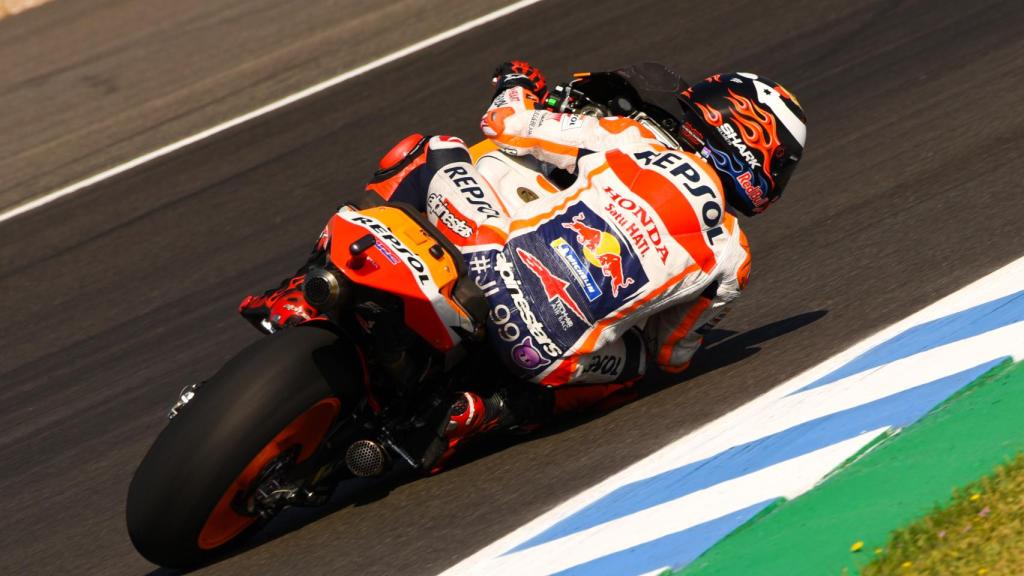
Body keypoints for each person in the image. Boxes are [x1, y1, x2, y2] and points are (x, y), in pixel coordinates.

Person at [240, 61, 807, 470]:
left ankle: (305, 284)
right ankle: (484, 409)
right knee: (634, 369)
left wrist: (516, 84)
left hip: (488, 268)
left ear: (711, 112)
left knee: (432, 149)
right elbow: (672, 355)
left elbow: (505, 125)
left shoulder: (635, 138)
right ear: (762, 167)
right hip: (546, 357)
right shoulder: (733, 257)